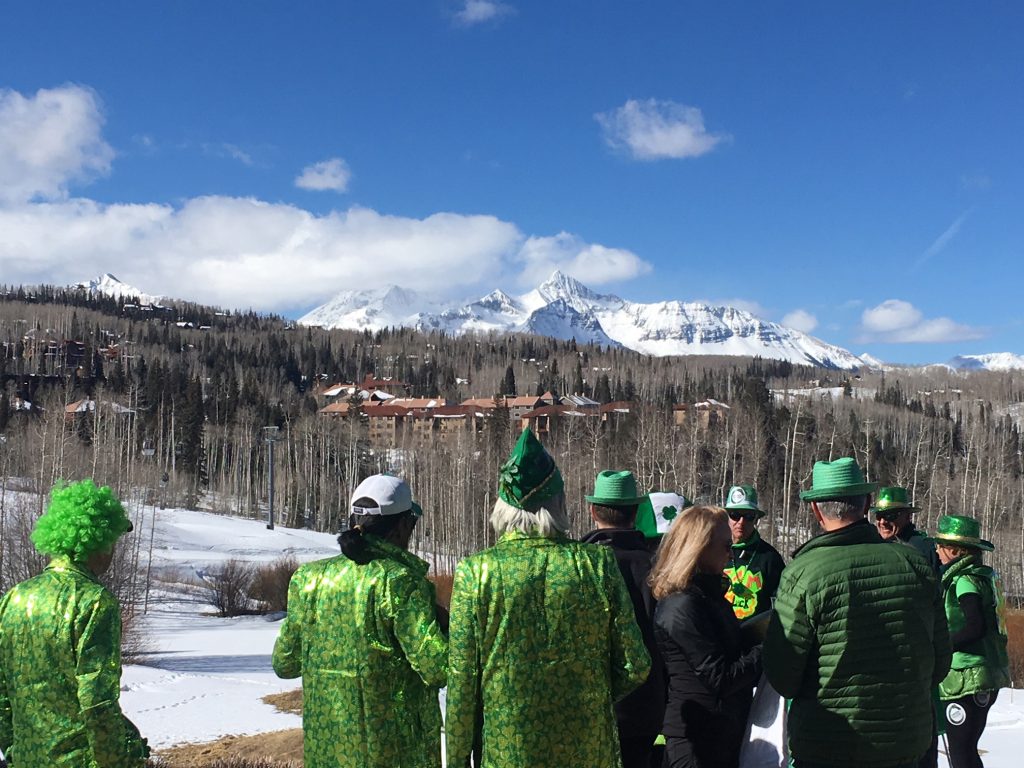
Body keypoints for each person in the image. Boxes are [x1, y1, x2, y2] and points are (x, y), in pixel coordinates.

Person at [445, 429, 650, 768]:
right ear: (558, 503)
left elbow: (462, 681)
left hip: (507, 747)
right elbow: (635, 664)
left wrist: (455, 758)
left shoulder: (477, 573)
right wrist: (589, 695)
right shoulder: (595, 564)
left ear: (502, 504)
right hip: (586, 745)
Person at [764, 457, 951, 768]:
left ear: (815, 511)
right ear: (867, 504)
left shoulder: (804, 573)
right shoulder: (915, 565)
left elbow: (784, 677)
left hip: (829, 744)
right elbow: (940, 663)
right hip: (904, 743)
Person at [273, 474, 448, 768]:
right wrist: (447, 625)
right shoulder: (400, 581)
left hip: (326, 754)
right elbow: (439, 669)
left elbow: (285, 663)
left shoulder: (308, 580)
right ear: (403, 525)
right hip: (397, 753)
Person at [0, 479, 148, 767]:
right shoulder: (95, 602)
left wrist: (15, 750)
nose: (113, 551)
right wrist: (116, 762)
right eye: (112, 541)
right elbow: (98, 702)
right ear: (98, 540)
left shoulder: (14, 598)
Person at [649, 505, 762, 768]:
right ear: (699, 548)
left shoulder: (708, 596)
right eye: (725, 545)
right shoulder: (682, 605)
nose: (730, 552)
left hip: (719, 732)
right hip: (697, 742)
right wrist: (765, 651)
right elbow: (719, 677)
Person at [580, 470, 665, 768]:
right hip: (646, 706)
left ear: (592, 510)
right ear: (637, 511)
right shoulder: (657, 568)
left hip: (590, 706)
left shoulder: (578, 567)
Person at [933, 515, 1010, 768]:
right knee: (966, 749)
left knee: (961, 752)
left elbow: (975, 626)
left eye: (941, 545)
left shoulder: (964, 580)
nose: (936, 550)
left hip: (967, 678)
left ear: (954, 550)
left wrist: (941, 647)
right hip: (989, 672)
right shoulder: (986, 576)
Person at [722, 484, 785, 623]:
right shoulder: (715, 551)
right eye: (735, 515)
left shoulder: (769, 557)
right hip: (719, 636)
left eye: (748, 516)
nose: (741, 522)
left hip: (754, 639)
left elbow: (783, 605)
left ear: (756, 519)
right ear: (727, 517)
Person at [871, 486, 940, 573]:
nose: (882, 522)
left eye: (889, 516)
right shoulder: (872, 547)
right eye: (879, 516)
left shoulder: (923, 548)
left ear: (907, 516)